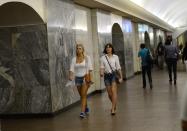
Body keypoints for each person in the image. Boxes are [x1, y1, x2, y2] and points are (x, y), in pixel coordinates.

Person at [69, 44, 93, 118]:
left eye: (80, 48)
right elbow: (71, 69)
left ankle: (82, 112)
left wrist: (90, 80)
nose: (78, 50)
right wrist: (70, 75)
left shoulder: (87, 58)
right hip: (77, 79)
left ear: (83, 50)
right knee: (82, 95)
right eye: (77, 48)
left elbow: (90, 69)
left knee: (83, 95)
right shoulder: (74, 59)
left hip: (85, 78)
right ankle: (86, 108)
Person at [100, 43, 123, 115]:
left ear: (112, 49)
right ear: (105, 49)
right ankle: (114, 104)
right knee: (109, 94)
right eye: (107, 48)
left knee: (114, 92)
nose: (108, 49)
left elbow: (118, 67)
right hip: (106, 76)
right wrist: (101, 73)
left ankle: (113, 109)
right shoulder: (103, 58)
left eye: (109, 47)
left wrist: (121, 77)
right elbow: (102, 67)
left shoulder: (115, 57)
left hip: (113, 75)